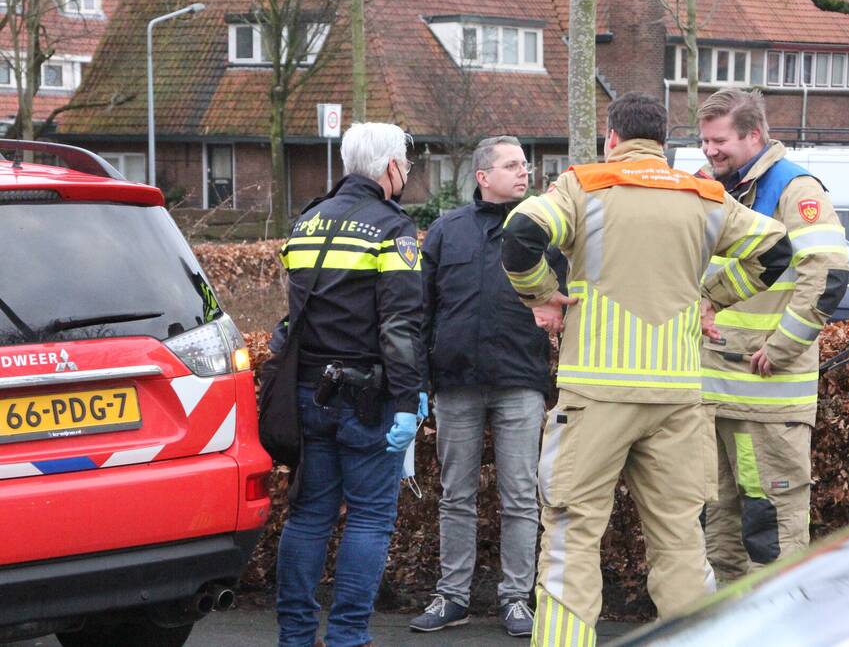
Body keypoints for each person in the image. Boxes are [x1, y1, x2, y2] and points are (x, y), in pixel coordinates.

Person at [501, 92, 793, 645]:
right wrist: (712, 297)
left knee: (572, 534)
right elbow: (777, 253)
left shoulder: (584, 185)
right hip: (678, 397)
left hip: (596, 395)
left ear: (611, 139)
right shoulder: (706, 196)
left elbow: (520, 237)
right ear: (665, 142)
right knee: (681, 542)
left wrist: (541, 295)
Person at [275, 122, 428, 647]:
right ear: (390, 168)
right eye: (405, 167)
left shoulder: (307, 221)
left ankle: (295, 638)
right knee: (368, 518)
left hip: (308, 395)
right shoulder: (393, 228)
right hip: (368, 399)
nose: (406, 175)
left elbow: (292, 316)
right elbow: (401, 324)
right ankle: (346, 638)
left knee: (309, 515)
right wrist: (409, 399)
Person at [410, 136, 566, 638]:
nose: (524, 172)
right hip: (456, 382)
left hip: (520, 380)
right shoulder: (446, 231)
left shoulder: (544, 231)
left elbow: (563, 301)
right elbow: (422, 307)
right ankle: (452, 595)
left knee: (521, 494)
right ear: (482, 176)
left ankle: (517, 597)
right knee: (455, 495)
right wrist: (421, 377)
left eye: (525, 164)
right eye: (512, 165)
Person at [695, 88, 849, 583]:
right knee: (719, 529)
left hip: (767, 393)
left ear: (754, 135)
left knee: (772, 533)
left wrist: (781, 347)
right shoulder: (723, 186)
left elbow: (826, 274)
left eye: (719, 141)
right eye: (704, 141)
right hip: (716, 390)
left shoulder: (794, 188)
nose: (709, 151)